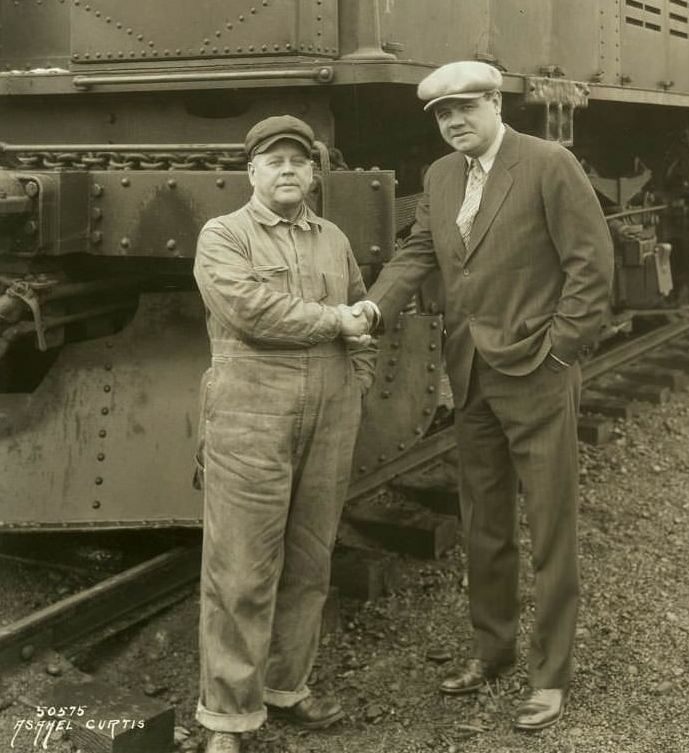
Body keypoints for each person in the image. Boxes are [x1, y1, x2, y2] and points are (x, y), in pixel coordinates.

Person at [354, 61, 614, 732]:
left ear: (497, 103)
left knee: (551, 529)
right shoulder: (441, 177)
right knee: (485, 526)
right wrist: (373, 309)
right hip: (470, 376)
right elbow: (418, 253)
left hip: (537, 372)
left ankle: (551, 675)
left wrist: (559, 352)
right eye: (443, 115)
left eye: (466, 108)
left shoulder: (549, 163)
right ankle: (492, 652)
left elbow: (593, 264)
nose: (455, 122)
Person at [192, 115, 376, 753]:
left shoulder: (333, 239)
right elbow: (249, 310)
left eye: (300, 161)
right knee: (239, 570)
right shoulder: (224, 236)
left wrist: (357, 379)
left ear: (315, 173)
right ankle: (228, 717)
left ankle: (286, 686)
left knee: (309, 561)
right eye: (275, 160)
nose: (289, 170)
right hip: (250, 412)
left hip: (330, 411)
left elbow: (361, 310)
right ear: (252, 172)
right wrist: (336, 324)